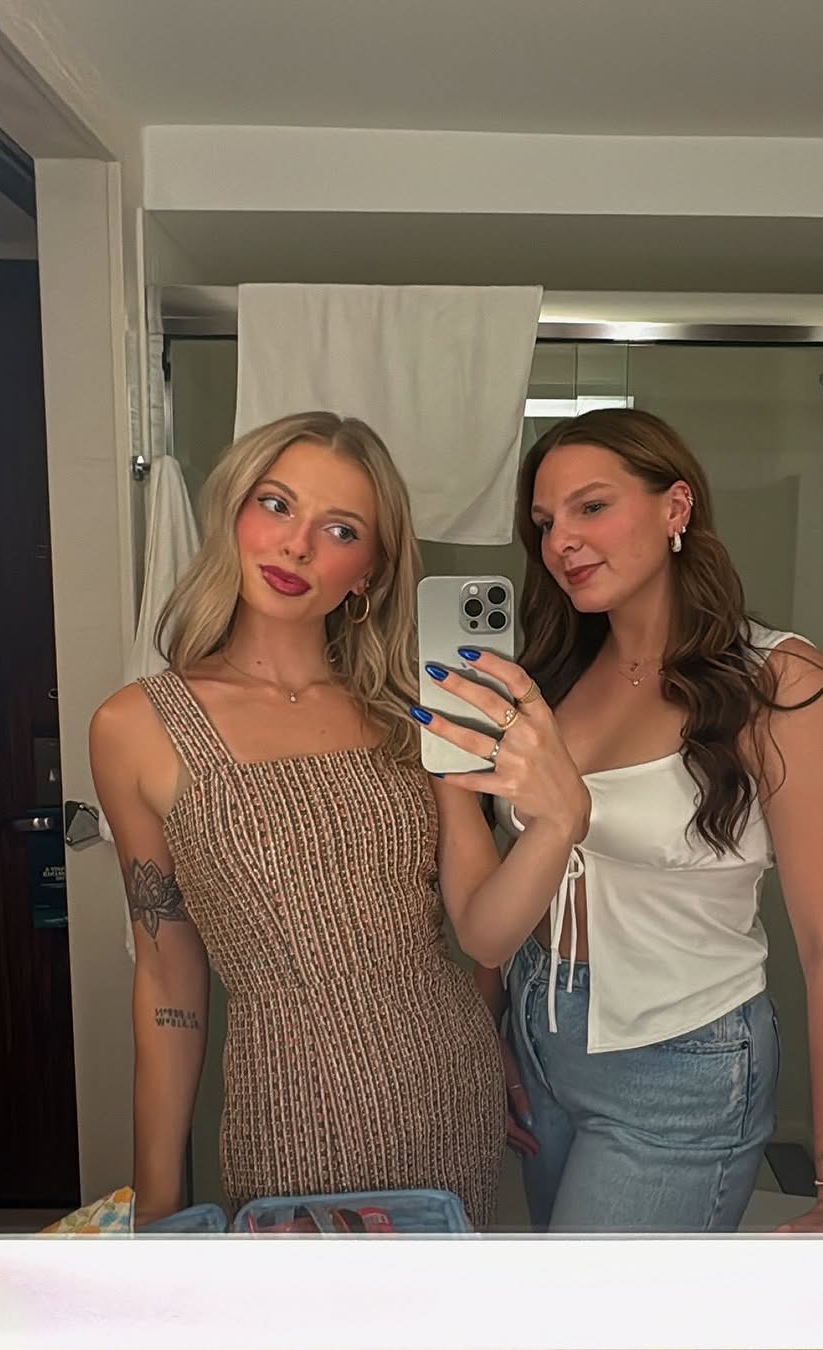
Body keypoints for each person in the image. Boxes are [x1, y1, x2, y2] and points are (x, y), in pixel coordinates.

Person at [89, 411, 589, 1230]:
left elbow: (485, 934)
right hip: (285, 1108)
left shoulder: (412, 713)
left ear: (369, 573)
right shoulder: (135, 727)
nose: (296, 546)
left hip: (447, 1091)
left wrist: (562, 821)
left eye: (340, 529)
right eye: (276, 505)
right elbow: (167, 974)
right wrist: (157, 1197)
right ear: (234, 513)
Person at [419, 408, 823, 1234]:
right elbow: (511, 884)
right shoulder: (549, 676)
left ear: (676, 507)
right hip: (540, 1035)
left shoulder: (777, 684)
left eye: (592, 507)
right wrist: (496, 1032)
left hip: (680, 1061)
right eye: (544, 522)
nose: (562, 541)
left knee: (601, 1304)